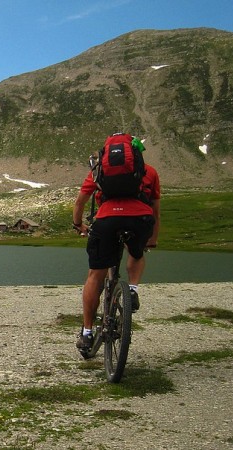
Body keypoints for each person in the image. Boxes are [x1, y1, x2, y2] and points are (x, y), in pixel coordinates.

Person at [72, 134, 161, 352]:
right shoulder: (149, 172)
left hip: (106, 221)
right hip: (140, 220)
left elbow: (80, 201)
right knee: (137, 253)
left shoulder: (100, 171)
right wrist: (152, 238)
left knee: (96, 275)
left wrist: (78, 224)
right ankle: (131, 289)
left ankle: (87, 333)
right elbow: (156, 210)